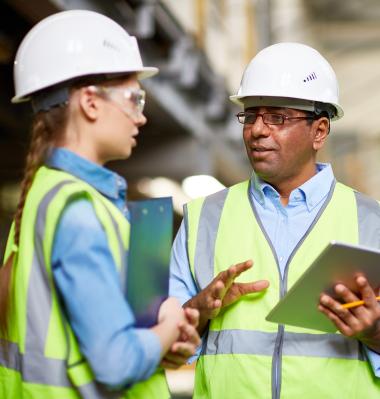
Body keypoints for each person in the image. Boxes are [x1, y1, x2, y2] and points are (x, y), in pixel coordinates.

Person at [0, 10, 200, 399]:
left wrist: (162, 340)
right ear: (90, 103)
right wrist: (170, 323)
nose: (141, 116)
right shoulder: (78, 211)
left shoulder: (46, 197)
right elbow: (116, 363)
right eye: (134, 98)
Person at [169, 42, 380, 398]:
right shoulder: (203, 218)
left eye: (277, 118)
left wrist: (374, 331)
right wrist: (196, 311)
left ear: (320, 131)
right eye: (251, 115)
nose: (257, 130)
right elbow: (165, 346)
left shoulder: (372, 222)